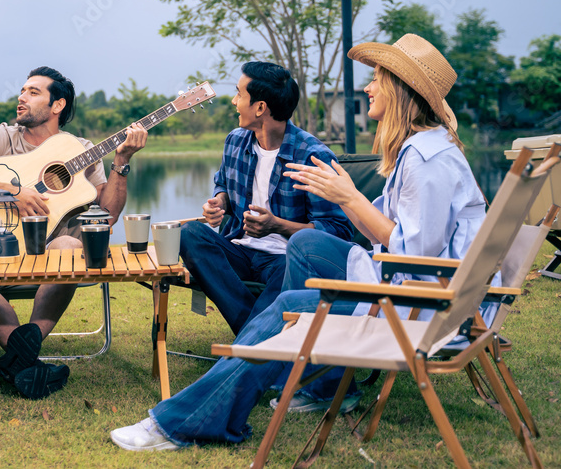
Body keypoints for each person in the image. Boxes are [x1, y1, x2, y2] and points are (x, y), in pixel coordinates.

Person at [110, 34, 487, 450]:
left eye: (377, 79)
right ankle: (313, 380)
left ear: (400, 91)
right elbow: (405, 245)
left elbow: (412, 256)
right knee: (305, 249)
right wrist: (221, 203)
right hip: (418, 292)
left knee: (292, 306)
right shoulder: (424, 150)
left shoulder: (424, 160)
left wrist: (348, 198)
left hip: (420, 307)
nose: (368, 87)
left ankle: (185, 421)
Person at [0, 66, 147, 399]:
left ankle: (20, 356)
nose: (21, 97)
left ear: (57, 105)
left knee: (68, 243)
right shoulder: (0, 137)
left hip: (53, 260)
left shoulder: (79, 149)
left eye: (33, 92)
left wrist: (120, 161)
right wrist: (12, 192)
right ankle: (28, 361)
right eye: (22, 91)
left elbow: (105, 218)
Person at [180, 61, 353, 335]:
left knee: (287, 267)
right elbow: (222, 184)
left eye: (239, 95)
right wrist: (220, 203)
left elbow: (337, 232)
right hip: (239, 249)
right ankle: (258, 336)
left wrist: (277, 226)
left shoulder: (313, 156)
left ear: (260, 108)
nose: (234, 102)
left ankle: (250, 343)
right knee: (190, 233)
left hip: (284, 260)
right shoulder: (235, 141)